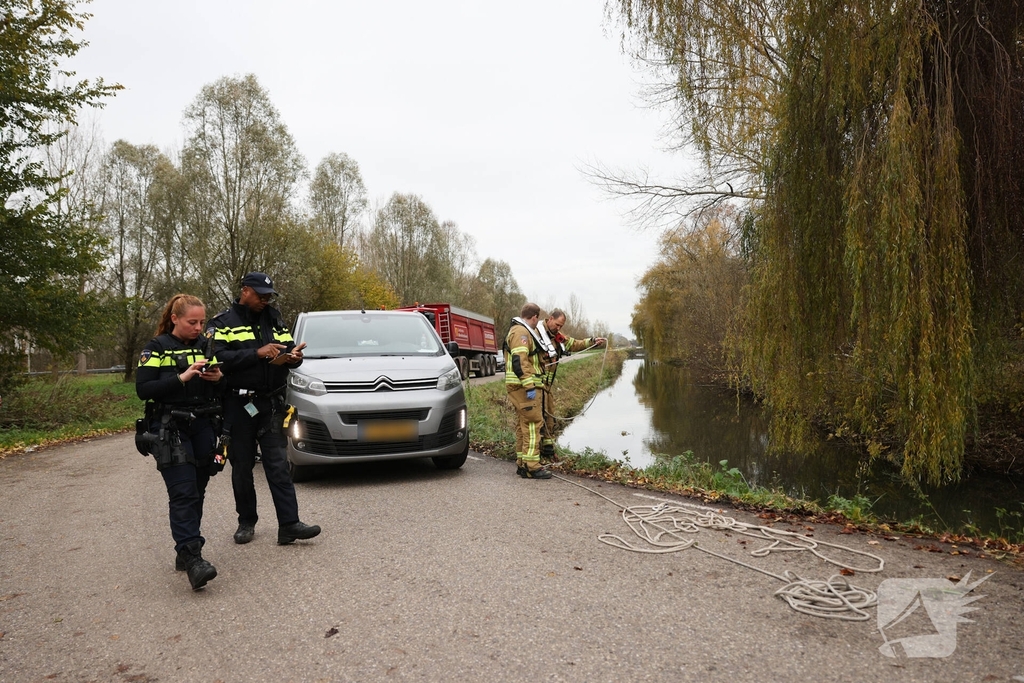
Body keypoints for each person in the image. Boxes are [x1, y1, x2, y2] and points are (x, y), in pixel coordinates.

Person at [210, 272, 321, 546]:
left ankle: (289, 524)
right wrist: (256, 353)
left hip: (270, 403)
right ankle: (246, 521)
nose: (265, 300)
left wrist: (294, 357)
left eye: (269, 296)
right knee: (242, 467)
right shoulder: (222, 323)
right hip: (238, 404)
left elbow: (288, 348)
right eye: (260, 295)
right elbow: (215, 358)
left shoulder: (273, 317)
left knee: (277, 464)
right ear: (245, 291)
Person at [135, 294, 224, 591]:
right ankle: (193, 557)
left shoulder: (205, 346)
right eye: (192, 322)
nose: (199, 327)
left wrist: (218, 378)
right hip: (170, 426)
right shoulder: (156, 348)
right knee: (183, 492)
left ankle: (184, 551)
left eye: (201, 322)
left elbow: (222, 387)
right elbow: (144, 388)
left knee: (198, 489)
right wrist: (181, 377)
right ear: (175, 319)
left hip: (203, 426)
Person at [536, 309, 607, 459]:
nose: (558, 328)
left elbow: (573, 344)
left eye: (561, 326)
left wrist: (592, 342)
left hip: (547, 387)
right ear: (550, 319)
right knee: (537, 421)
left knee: (550, 419)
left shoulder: (557, 337)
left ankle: (547, 451)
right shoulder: (536, 333)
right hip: (536, 385)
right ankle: (534, 455)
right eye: (557, 324)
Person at [503, 303, 550, 479]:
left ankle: (523, 464)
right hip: (523, 388)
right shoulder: (522, 333)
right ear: (535, 317)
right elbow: (519, 362)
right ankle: (532, 467)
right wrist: (530, 386)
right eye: (538, 320)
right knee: (532, 424)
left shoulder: (519, 331)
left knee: (523, 424)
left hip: (521, 387)